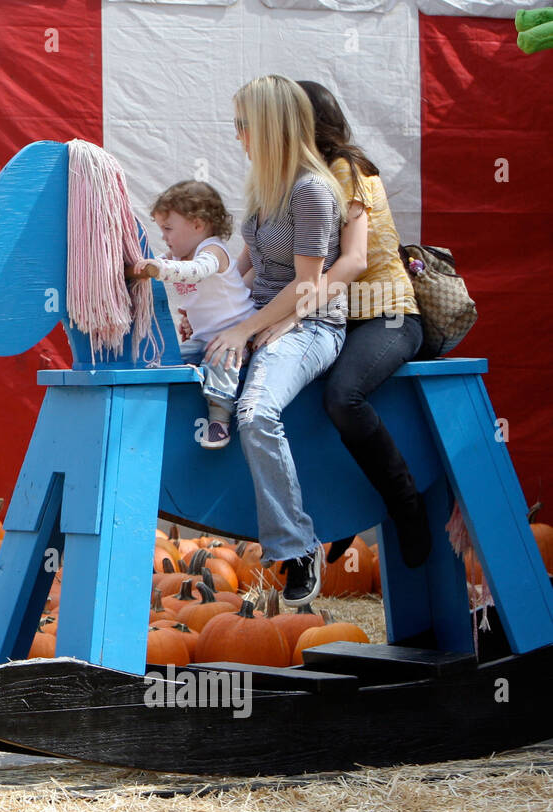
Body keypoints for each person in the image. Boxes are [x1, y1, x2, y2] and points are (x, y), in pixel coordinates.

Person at [202, 75, 348, 606]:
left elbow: (308, 286)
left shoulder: (312, 190)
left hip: (310, 323)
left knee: (257, 412)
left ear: (269, 127)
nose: (237, 134)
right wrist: (206, 318)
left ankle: (297, 545)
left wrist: (246, 328)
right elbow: (243, 274)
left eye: (243, 124)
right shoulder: (263, 186)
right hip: (259, 316)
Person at [298, 79, 431, 568]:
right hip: (341, 320)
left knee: (342, 396)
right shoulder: (304, 176)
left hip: (389, 315)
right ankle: (340, 514)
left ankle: (406, 506)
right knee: (300, 393)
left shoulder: (343, 170)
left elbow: (347, 263)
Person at [134, 181, 257, 449]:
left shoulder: (212, 251)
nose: (165, 237)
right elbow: (161, 262)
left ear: (198, 225)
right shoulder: (178, 255)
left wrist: (159, 268)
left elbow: (197, 271)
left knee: (220, 361)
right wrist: (140, 268)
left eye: (168, 229)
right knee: (170, 357)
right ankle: (152, 410)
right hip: (204, 337)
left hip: (235, 333)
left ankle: (219, 420)